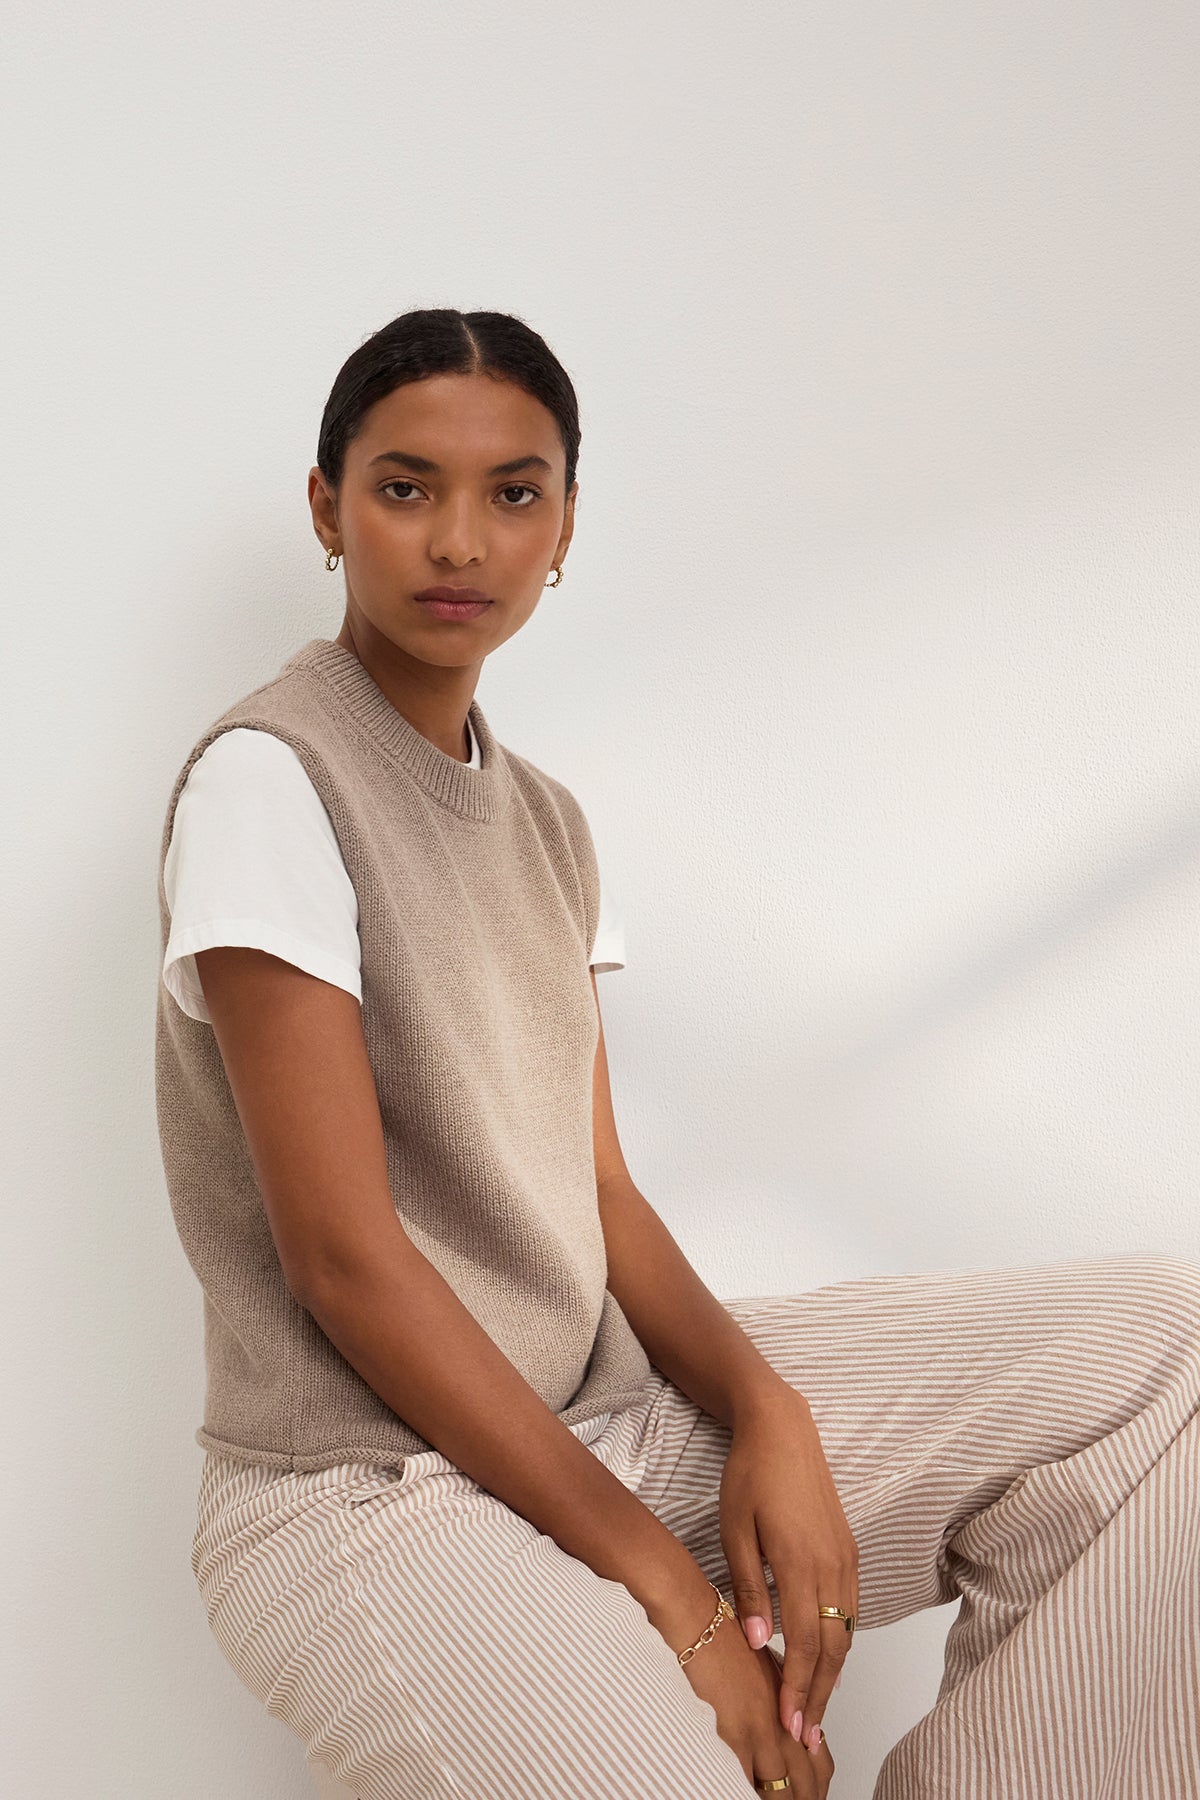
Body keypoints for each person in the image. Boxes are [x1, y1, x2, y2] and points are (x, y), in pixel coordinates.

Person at [154, 307, 1200, 1800]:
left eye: (514, 493)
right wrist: (682, 1603)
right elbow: (343, 1260)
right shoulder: (272, 776)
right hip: (369, 1499)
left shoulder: (548, 825)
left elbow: (599, 1194)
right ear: (326, 510)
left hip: (604, 1421)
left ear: (566, 524)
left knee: (1161, 1351)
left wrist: (768, 1410)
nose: (460, 539)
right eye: (404, 488)